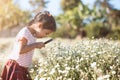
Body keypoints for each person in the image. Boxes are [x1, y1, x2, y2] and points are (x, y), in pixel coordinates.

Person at [0, 10, 56, 80]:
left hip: (22, 68)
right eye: (46, 33)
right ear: (39, 25)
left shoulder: (33, 34)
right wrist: (35, 45)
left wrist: (36, 45)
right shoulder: (25, 32)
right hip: (16, 66)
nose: (45, 36)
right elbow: (21, 50)